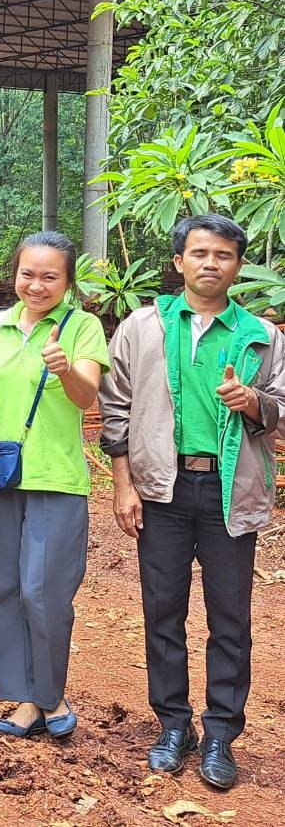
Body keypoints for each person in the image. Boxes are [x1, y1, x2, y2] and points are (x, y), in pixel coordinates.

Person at [99, 213, 284, 790]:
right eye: (199, 253)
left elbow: (281, 406)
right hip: (162, 490)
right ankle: (173, 725)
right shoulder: (143, 326)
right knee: (164, 612)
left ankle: (222, 735)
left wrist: (252, 400)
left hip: (230, 492)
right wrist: (123, 485)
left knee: (230, 618)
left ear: (237, 266)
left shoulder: (262, 335)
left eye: (224, 255)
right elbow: (117, 407)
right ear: (179, 261)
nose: (211, 263)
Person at [0, 231, 109, 740]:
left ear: (66, 282)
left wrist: (65, 370)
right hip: (2, 479)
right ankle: (21, 699)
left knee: (43, 592)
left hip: (58, 478)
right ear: (13, 274)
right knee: (2, 589)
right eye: (28, 273)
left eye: (50, 276)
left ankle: (50, 695)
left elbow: (88, 399)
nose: (36, 285)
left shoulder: (82, 327)